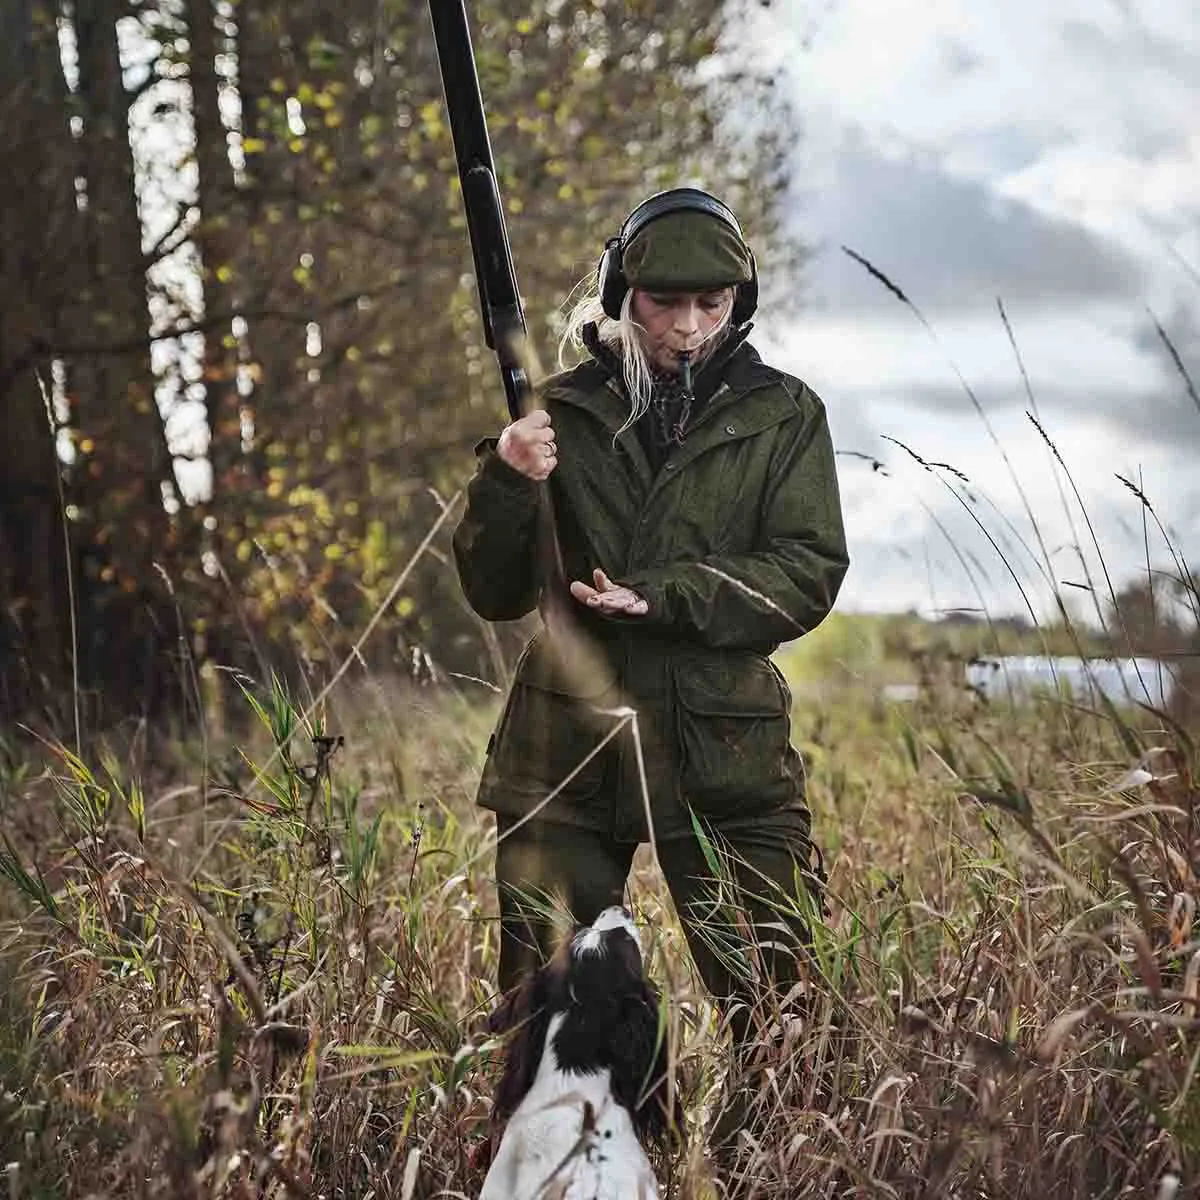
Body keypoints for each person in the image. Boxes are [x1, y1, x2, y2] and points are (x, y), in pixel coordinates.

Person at [452, 186, 849, 1158]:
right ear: (622, 295)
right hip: (565, 753)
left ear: (737, 303)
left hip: (725, 754)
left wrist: (667, 594)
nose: (686, 326)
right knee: (549, 1014)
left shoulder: (785, 414)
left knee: (784, 1010)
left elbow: (807, 571)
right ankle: (584, 1171)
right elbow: (495, 590)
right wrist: (507, 478)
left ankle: (762, 1178)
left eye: (710, 303)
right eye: (665, 302)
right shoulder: (553, 413)